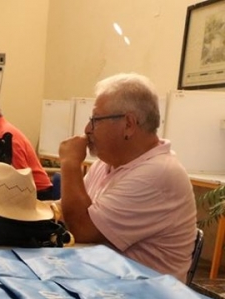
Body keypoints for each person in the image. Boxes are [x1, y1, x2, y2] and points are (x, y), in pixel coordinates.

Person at [58, 73, 196, 281]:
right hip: (105, 280)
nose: (87, 130)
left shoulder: (157, 173)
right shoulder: (108, 163)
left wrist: (69, 164)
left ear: (129, 124)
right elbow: (65, 211)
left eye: (95, 120)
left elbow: (82, 230)